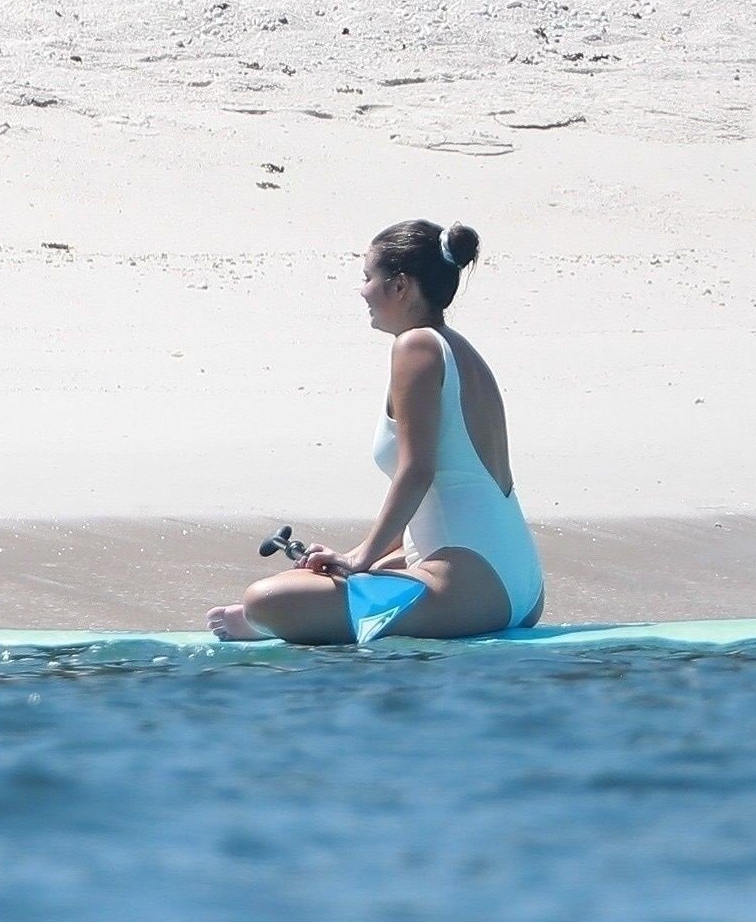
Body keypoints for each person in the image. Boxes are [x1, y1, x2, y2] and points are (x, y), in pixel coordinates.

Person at [211, 220, 544, 644]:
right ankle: (337, 603)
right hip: (520, 587)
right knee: (353, 569)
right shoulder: (461, 350)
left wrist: (360, 559)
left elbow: (417, 471)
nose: (363, 291)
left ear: (400, 286)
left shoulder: (416, 346)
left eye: (369, 278)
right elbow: (450, 500)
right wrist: (355, 557)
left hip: (474, 588)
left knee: (265, 599)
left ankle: (277, 623)